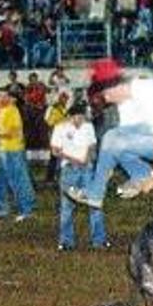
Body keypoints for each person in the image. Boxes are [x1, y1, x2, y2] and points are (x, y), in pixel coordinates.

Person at [66, 58, 153, 209]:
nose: (106, 99)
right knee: (112, 137)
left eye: (104, 94)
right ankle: (131, 178)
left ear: (113, 87)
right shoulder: (125, 103)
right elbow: (115, 147)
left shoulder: (145, 90)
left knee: (115, 141)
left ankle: (97, 192)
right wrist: (106, 165)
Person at [50, 100, 107, 250]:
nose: (80, 120)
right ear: (71, 116)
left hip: (87, 168)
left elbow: (92, 145)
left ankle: (99, 241)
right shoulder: (60, 128)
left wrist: (87, 159)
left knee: (94, 204)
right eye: (78, 117)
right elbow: (55, 150)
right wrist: (73, 159)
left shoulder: (88, 127)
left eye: (82, 117)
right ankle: (66, 241)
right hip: (69, 169)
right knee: (67, 206)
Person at [0, 91, 36, 221]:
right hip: (4, 150)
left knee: (17, 180)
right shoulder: (2, 110)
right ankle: (2, 208)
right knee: (0, 179)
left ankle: (26, 210)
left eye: (0, 97)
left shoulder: (12, 110)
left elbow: (13, 132)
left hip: (13, 151)